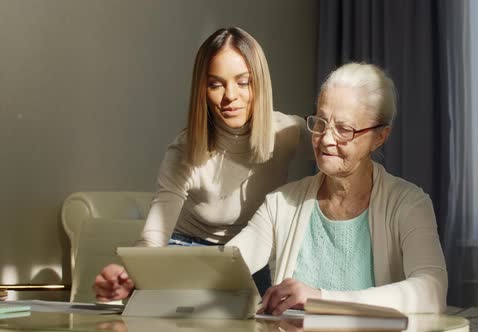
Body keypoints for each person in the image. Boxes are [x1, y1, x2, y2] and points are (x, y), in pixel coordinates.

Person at [94, 63, 447, 315]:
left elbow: (431, 291)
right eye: (320, 122)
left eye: (344, 129)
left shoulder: (409, 203)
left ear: (379, 135)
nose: (325, 139)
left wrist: (321, 298)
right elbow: (222, 269)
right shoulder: (281, 203)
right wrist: (137, 284)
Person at [93, 27, 310, 301]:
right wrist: (129, 275)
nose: (230, 96)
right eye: (215, 84)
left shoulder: (288, 131)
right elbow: (154, 234)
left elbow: (337, 146)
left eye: (243, 82)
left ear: (260, 83)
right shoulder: (185, 150)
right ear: (202, 90)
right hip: (188, 254)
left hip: (251, 257)